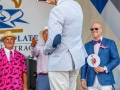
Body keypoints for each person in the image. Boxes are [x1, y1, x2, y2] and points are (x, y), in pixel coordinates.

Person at [44, 0, 87, 90]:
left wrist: (46, 50)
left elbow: (55, 40)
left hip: (60, 59)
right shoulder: (76, 6)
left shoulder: (57, 10)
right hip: (76, 58)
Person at [81, 22, 120, 90]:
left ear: (101, 29)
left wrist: (104, 68)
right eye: (92, 29)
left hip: (106, 79)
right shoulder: (87, 45)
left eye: (96, 28)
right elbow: (84, 63)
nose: (94, 30)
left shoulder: (110, 43)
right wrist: (83, 78)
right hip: (90, 80)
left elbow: (116, 59)